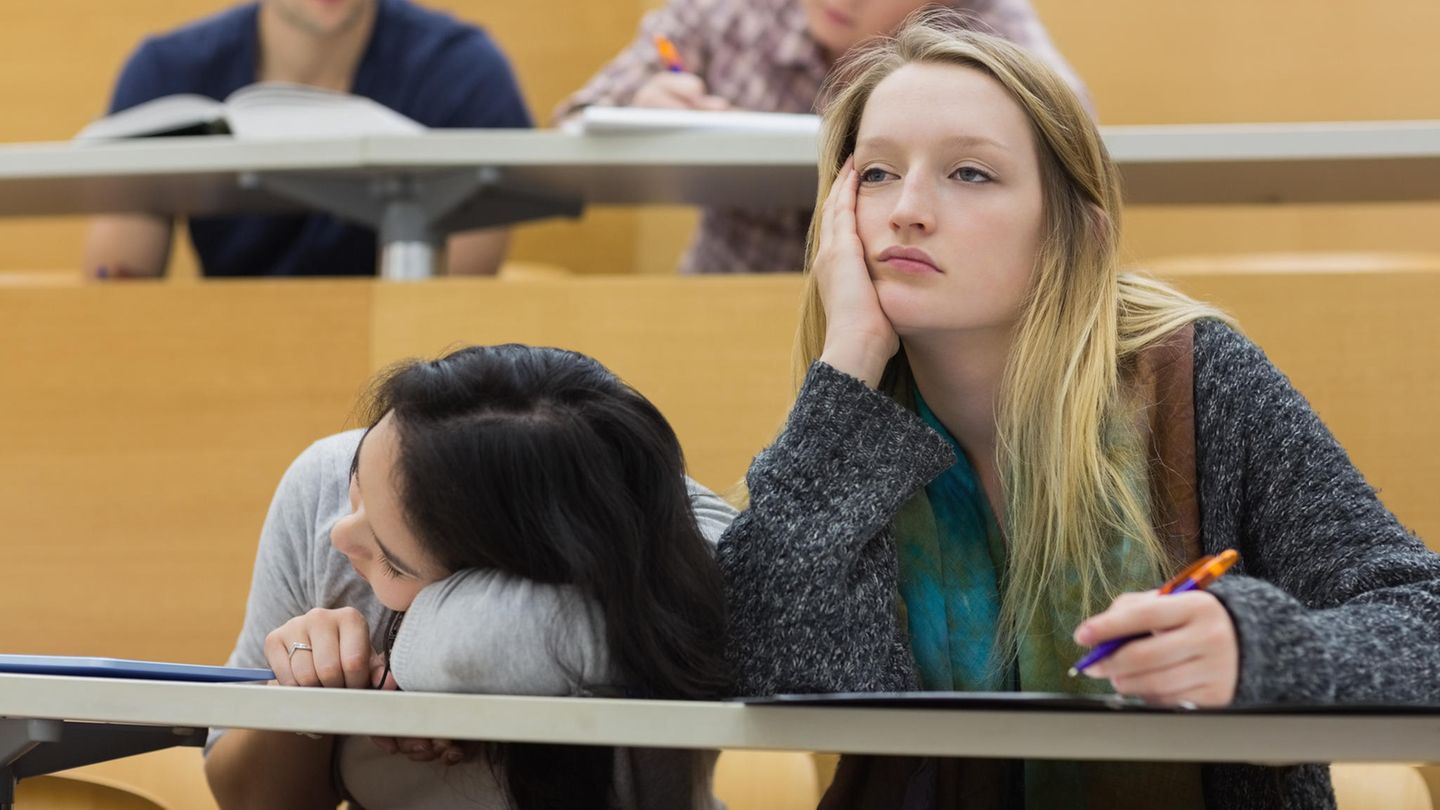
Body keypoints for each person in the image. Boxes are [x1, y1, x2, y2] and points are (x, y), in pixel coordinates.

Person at [717, 11, 1440, 808]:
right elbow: (774, 664)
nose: (906, 210)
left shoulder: (1198, 378)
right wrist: (848, 355)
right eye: (878, 173)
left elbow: (1422, 621)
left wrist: (1258, 646)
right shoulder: (850, 421)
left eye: (970, 175)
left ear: (1076, 234)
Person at [204, 344, 736, 809]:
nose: (341, 535)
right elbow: (246, 797)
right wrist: (308, 698)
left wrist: (441, 672)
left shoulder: (672, 549)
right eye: (356, 481)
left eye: (392, 561)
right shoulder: (322, 485)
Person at [556, 0, 1089, 275]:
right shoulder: (736, 9)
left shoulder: (987, 22)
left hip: (917, 327)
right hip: (733, 294)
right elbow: (574, 122)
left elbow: (1075, 144)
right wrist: (641, 104)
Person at [85, 0, 530, 279]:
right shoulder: (168, 72)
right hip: (226, 362)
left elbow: (449, 305)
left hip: (400, 378)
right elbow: (119, 289)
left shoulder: (461, 70)